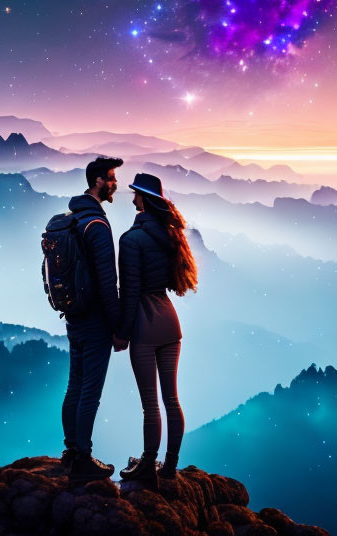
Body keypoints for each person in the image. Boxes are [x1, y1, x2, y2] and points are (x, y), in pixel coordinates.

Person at [114, 172, 198, 483]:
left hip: (145, 327)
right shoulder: (171, 235)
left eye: (135, 192)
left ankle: (148, 465)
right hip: (170, 322)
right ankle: (170, 467)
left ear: (144, 200)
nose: (132, 196)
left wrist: (122, 333)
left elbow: (130, 291)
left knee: (151, 403)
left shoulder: (131, 239)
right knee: (172, 400)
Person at [60, 156, 124, 483]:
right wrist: (118, 327)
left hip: (73, 316)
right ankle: (83, 458)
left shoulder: (74, 217)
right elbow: (106, 282)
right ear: (98, 181)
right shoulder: (97, 226)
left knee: (75, 385)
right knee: (90, 392)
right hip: (96, 320)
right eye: (112, 179)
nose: (116, 184)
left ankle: (71, 450)